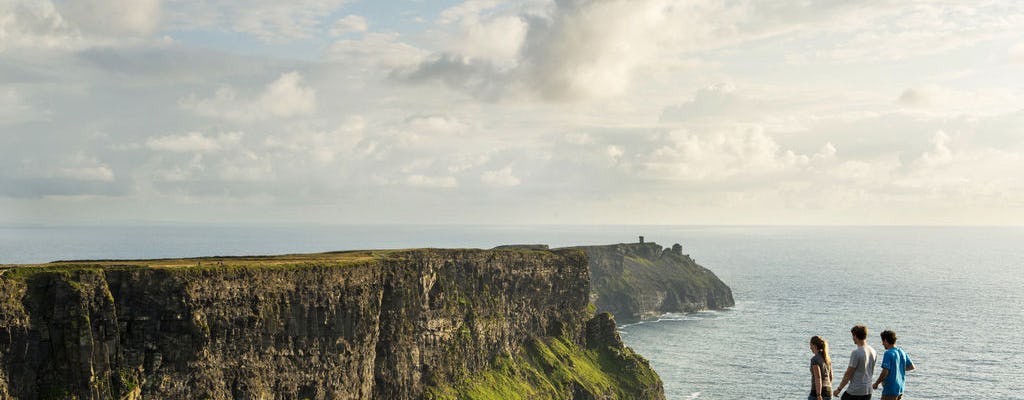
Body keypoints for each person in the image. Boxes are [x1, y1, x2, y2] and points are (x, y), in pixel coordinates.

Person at [834, 325, 877, 400]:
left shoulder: (856, 353)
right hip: (868, 390)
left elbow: (848, 374)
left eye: (853, 336)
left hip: (855, 390)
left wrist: (839, 389)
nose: (852, 338)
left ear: (855, 336)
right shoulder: (873, 351)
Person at [872, 330, 915, 400]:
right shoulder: (902, 352)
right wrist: (898, 368)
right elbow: (911, 366)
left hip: (890, 389)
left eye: (882, 341)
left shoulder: (888, 353)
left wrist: (876, 383)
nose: (882, 344)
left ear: (885, 341)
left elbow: (884, 372)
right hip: (900, 388)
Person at [809, 336, 834, 400]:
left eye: (811, 345)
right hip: (828, 391)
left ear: (814, 346)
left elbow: (818, 377)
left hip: (817, 392)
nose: (810, 348)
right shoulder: (827, 359)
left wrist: (819, 394)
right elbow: (830, 377)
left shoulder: (815, 359)